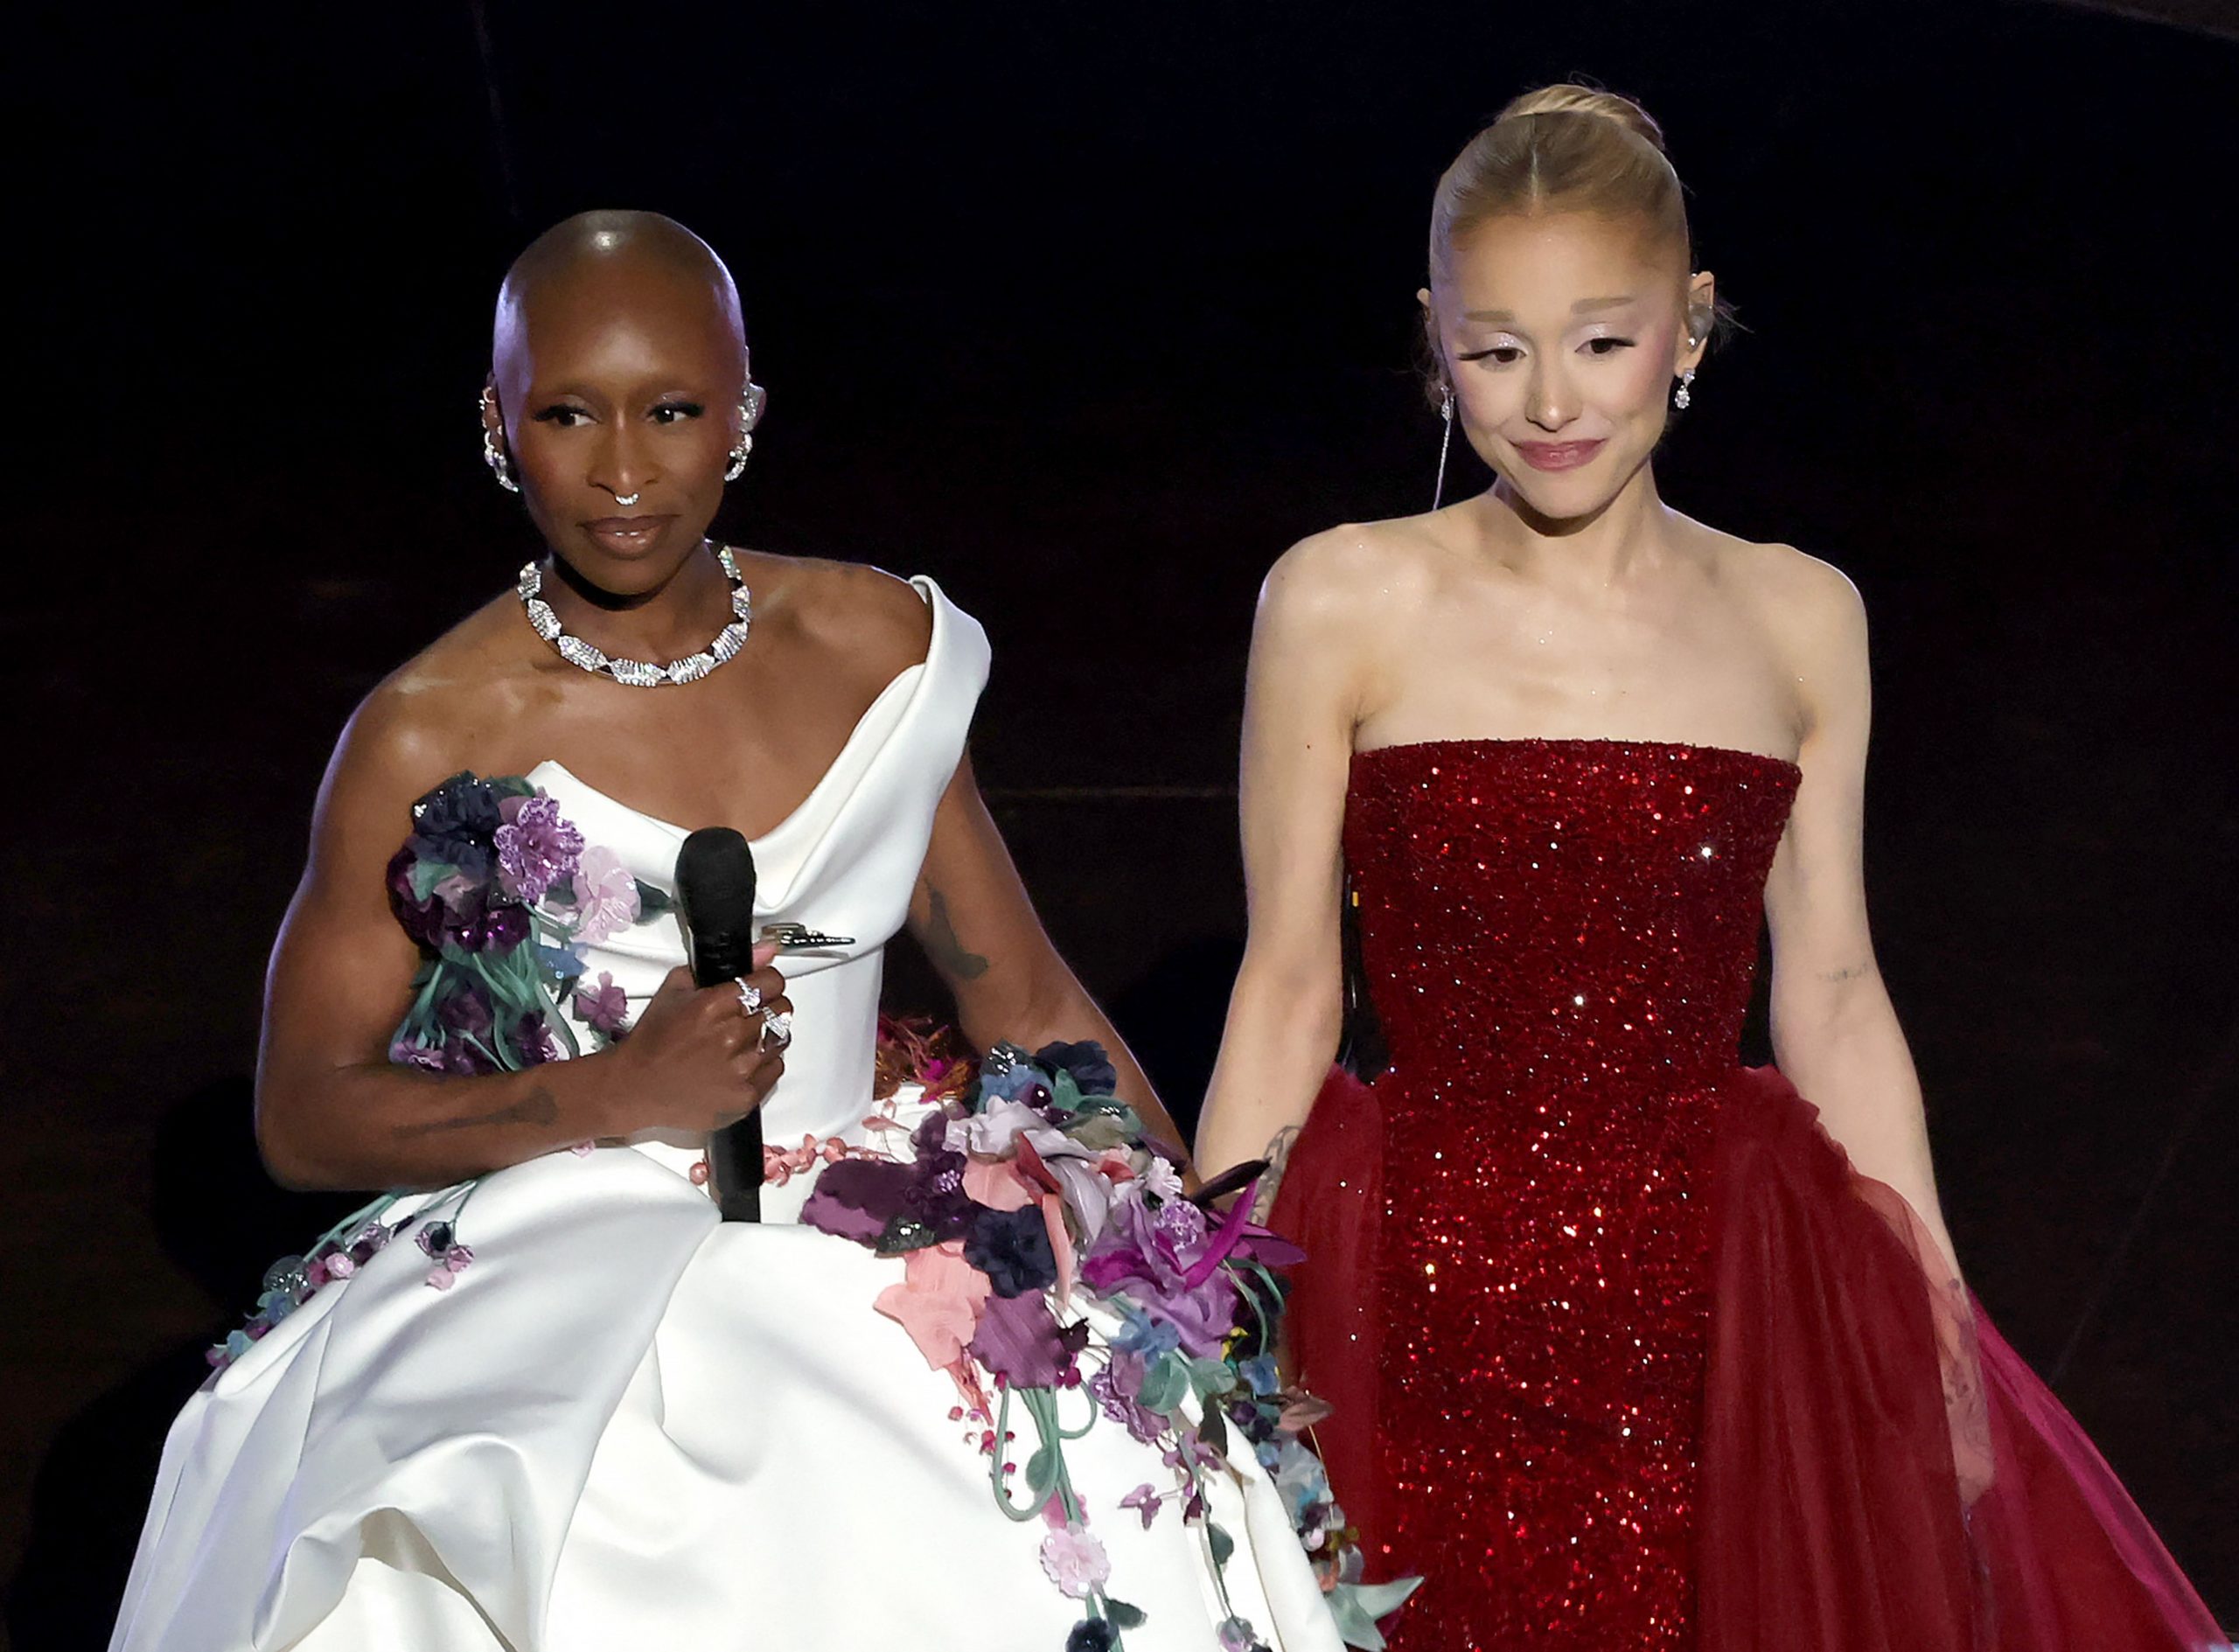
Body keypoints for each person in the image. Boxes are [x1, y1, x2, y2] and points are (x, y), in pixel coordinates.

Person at [111, 211, 1340, 1652]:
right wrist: (617, 1091)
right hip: (557, 1244)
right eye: (569, 414)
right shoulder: (427, 729)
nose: (623, 471)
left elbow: (1023, 994)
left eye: (673, 411)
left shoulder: (879, 650)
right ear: (499, 427)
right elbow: (303, 1114)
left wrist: (1194, 1255)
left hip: (878, 1224)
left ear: (744, 414)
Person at [1192, 86, 2225, 1651]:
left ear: (1689, 323)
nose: (1552, 400)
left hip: (1722, 1317)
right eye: (1497, 350)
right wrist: (1199, 1310)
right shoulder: (1340, 600)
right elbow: (1285, 984)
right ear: (1434, 340)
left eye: (1602, 342)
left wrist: (1937, 1328)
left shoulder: (1800, 615)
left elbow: (1834, 986)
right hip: (1413, 1291)